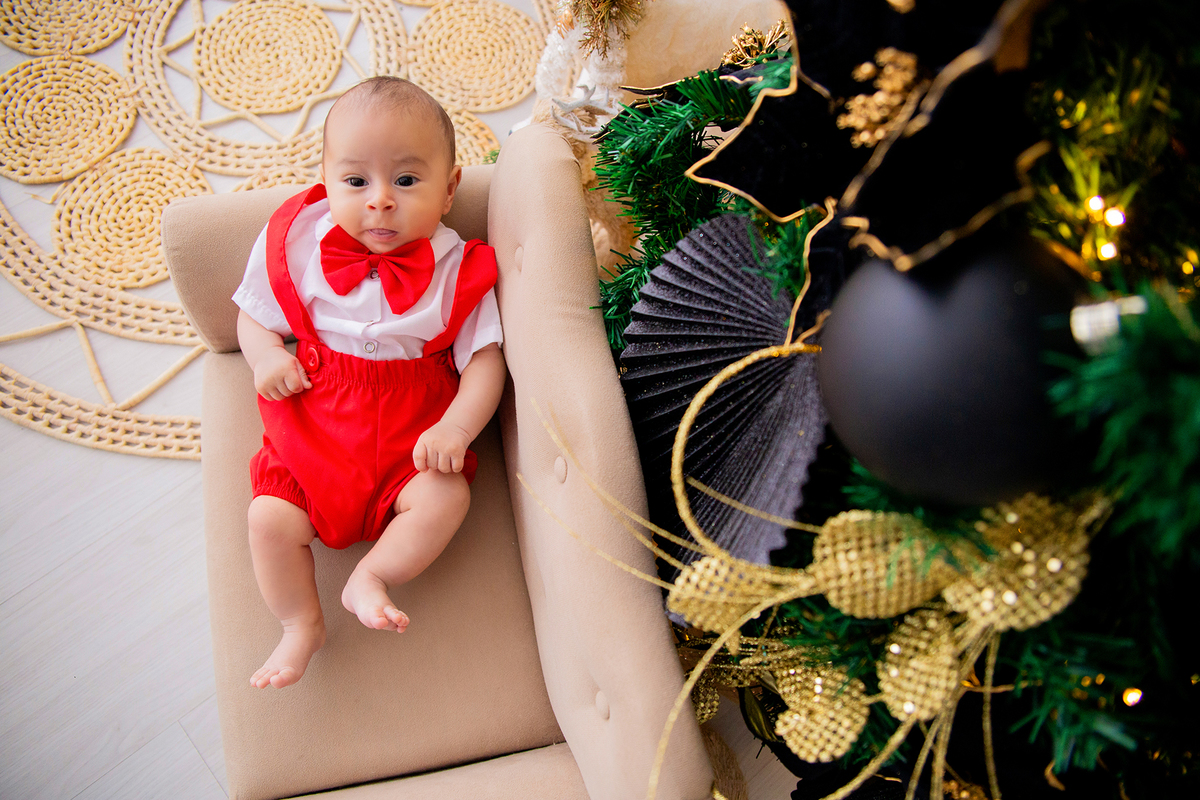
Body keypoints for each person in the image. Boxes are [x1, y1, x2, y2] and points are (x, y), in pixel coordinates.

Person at [232, 77, 506, 689]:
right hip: (314, 423)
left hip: (413, 437)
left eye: (407, 181)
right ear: (327, 179)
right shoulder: (302, 242)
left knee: (447, 497)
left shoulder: (457, 267)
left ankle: (373, 574)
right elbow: (255, 314)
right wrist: (265, 358)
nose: (380, 200)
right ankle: (300, 624)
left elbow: (485, 361)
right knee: (268, 520)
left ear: (450, 188)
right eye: (356, 181)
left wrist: (456, 428)